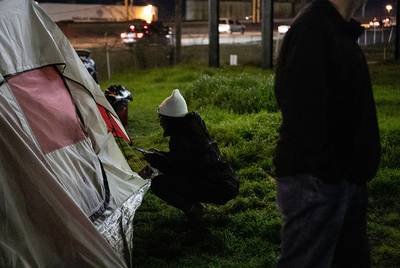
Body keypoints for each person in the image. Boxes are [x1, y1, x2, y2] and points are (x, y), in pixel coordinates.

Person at [273, 0, 381, 267]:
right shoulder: (313, 30)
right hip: (320, 182)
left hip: (341, 179)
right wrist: (329, 173)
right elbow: (302, 112)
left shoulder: (335, 29)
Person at [143, 89, 239, 222]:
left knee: (158, 183)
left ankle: (195, 211)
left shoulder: (183, 138)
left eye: (162, 119)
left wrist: (156, 160)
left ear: (171, 120)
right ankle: (196, 205)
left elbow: (181, 169)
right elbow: (183, 160)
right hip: (222, 181)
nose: (160, 122)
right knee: (174, 179)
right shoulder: (189, 129)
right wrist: (159, 155)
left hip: (220, 186)